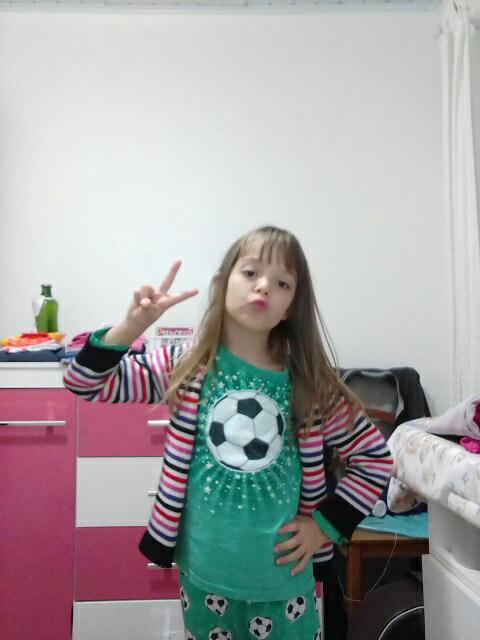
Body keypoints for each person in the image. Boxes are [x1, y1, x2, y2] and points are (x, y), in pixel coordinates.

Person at [64, 225, 393, 640]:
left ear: (291, 307)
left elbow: (375, 461)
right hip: (203, 578)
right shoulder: (185, 366)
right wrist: (132, 327)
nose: (264, 287)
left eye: (283, 283)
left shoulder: (311, 385)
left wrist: (323, 527)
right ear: (221, 284)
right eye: (251, 272)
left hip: (283, 582)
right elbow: (85, 383)